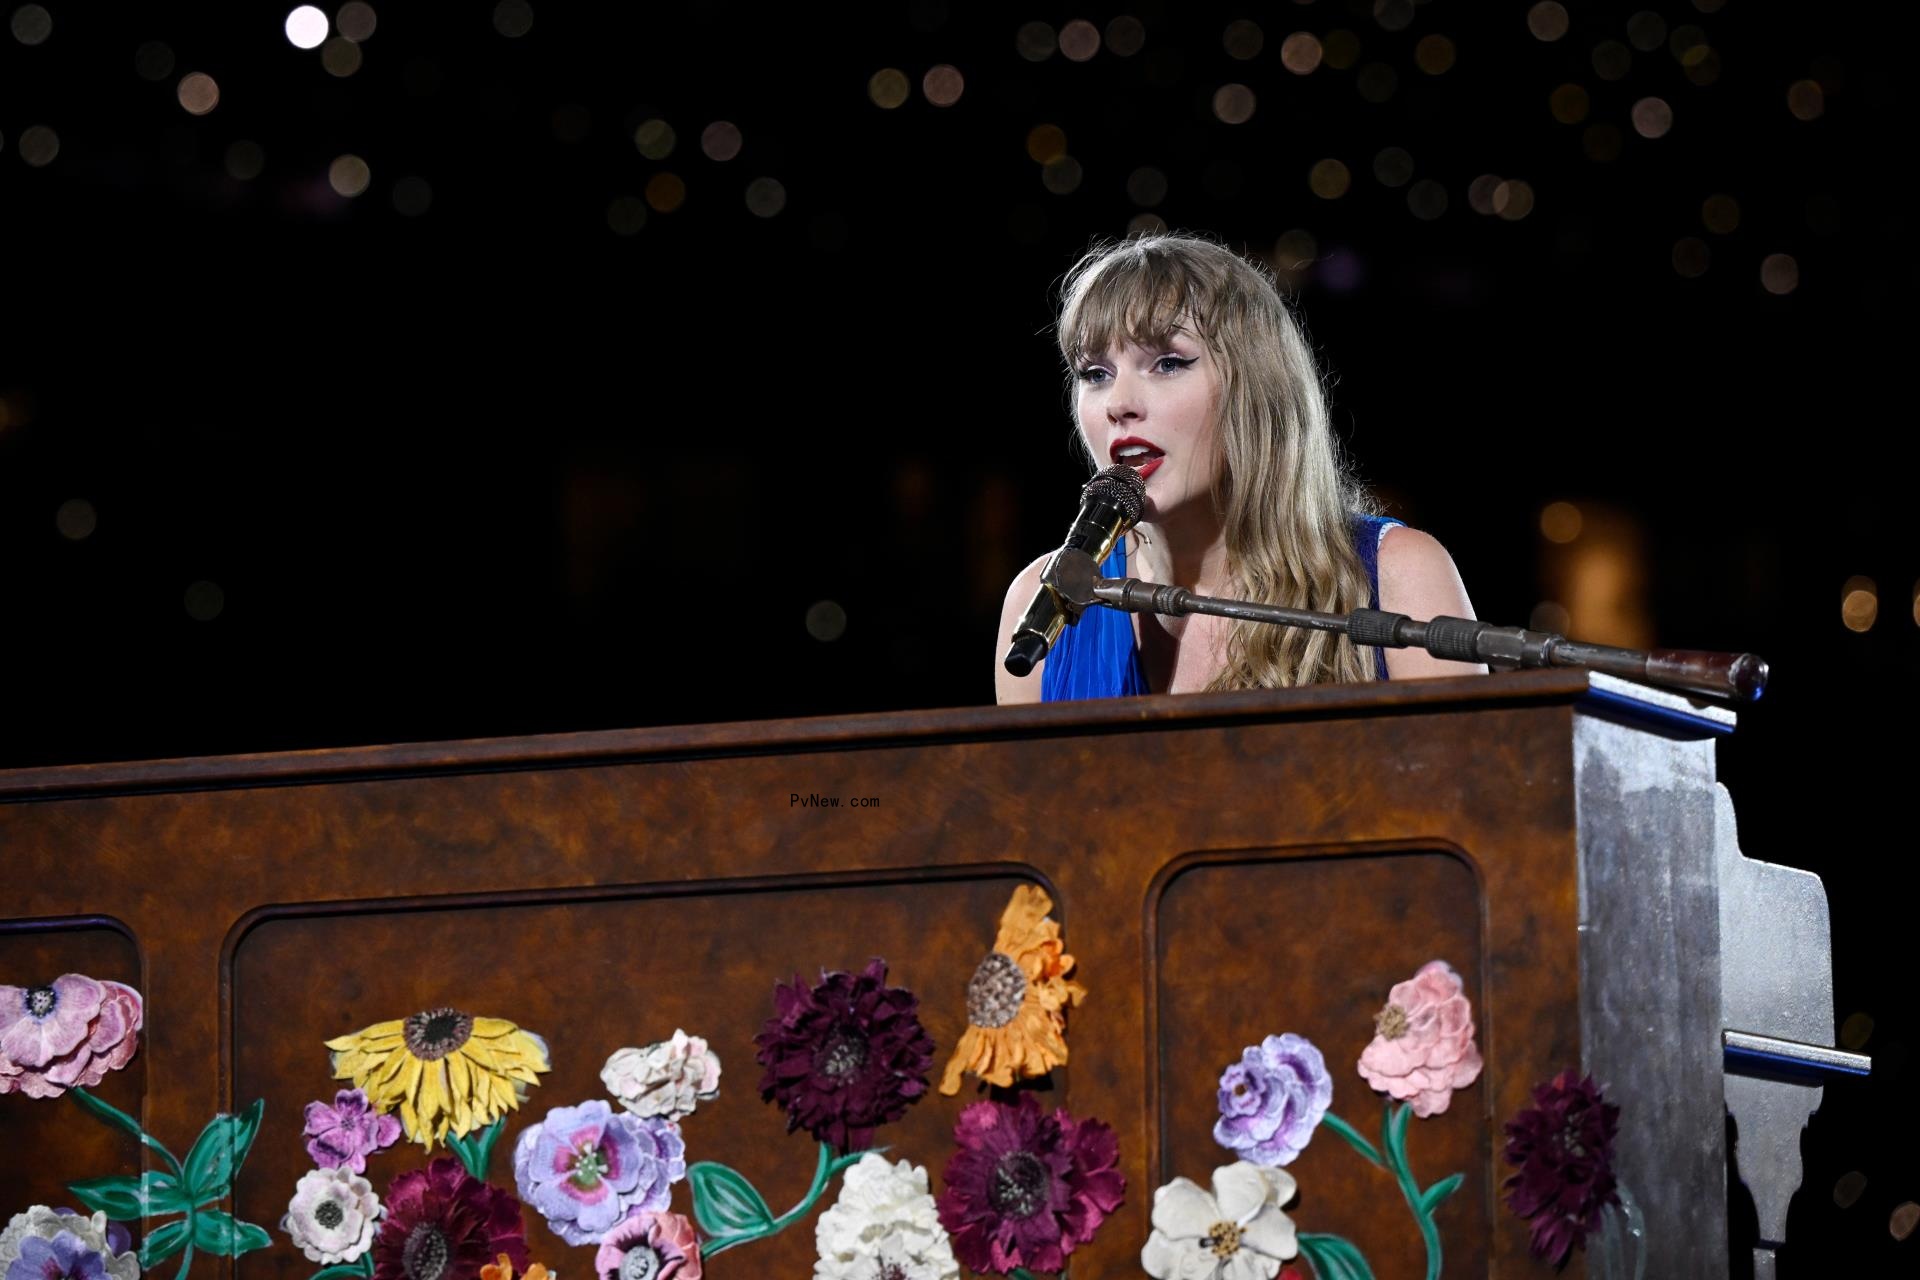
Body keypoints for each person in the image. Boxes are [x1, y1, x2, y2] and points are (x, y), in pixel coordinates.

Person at [995, 233, 1486, 705]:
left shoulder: (1399, 577)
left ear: (1256, 388)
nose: (1118, 404)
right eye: (1095, 374)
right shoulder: (1039, 607)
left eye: (1168, 363)